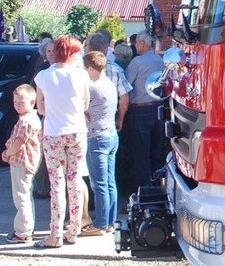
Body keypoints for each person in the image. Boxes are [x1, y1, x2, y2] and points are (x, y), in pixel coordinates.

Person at [34, 34, 90, 249]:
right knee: (74, 181)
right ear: (71, 53)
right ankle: (73, 229)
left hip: (53, 133)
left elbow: (40, 108)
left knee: (56, 184)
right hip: (76, 131)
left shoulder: (43, 77)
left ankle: (54, 234)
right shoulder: (80, 75)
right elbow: (85, 105)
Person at [81, 51, 119, 235]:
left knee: (99, 184)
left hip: (96, 138)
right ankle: (110, 221)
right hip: (111, 135)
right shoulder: (109, 84)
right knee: (110, 182)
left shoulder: (92, 88)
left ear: (90, 68)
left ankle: (100, 224)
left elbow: (81, 108)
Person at [123, 32, 165, 188]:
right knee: (156, 153)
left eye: (136, 43)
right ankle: (158, 190)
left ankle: (144, 194)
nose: (134, 45)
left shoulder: (137, 62)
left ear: (142, 44)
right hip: (158, 109)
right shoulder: (160, 61)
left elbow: (125, 85)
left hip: (140, 111)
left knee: (140, 155)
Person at [2, 83, 42, 244]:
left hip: (21, 162)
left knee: (21, 197)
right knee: (26, 195)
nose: (17, 105)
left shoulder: (25, 121)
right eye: (15, 102)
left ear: (32, 102)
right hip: (27, 163)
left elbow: (18, 143)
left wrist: (7, 153)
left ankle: (22, 232)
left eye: (22, 102)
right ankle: (27, 228)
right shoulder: (32, 117)